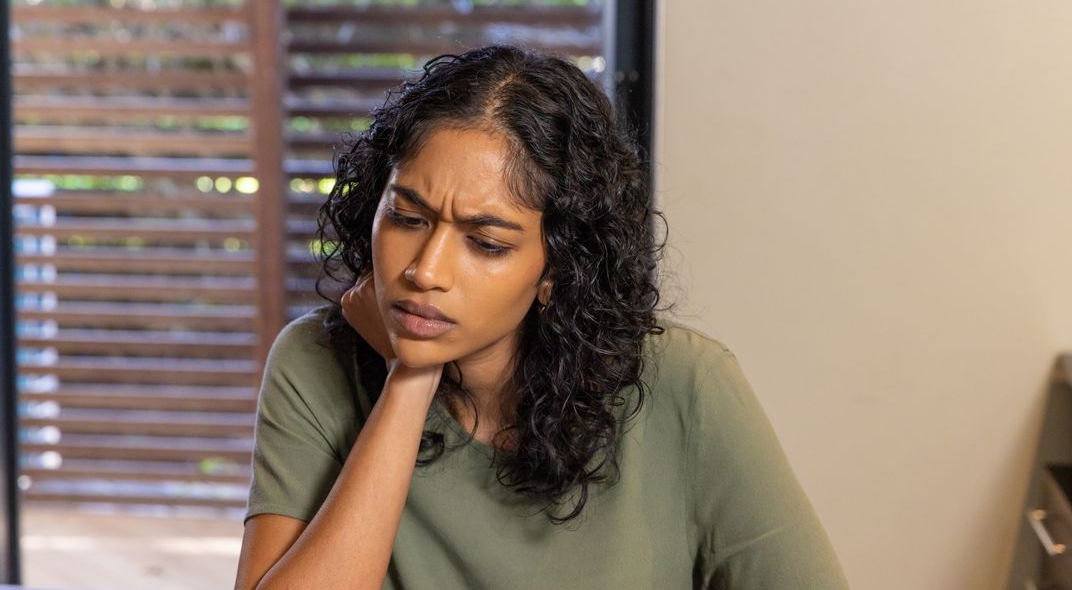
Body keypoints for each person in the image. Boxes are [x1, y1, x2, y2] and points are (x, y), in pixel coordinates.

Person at [233, 45, 849, 590]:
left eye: (487, 243)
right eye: (408, 217)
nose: (425, 270)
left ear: (557, 267)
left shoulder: (688, 385)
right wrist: (409, 380)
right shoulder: (313, 362)